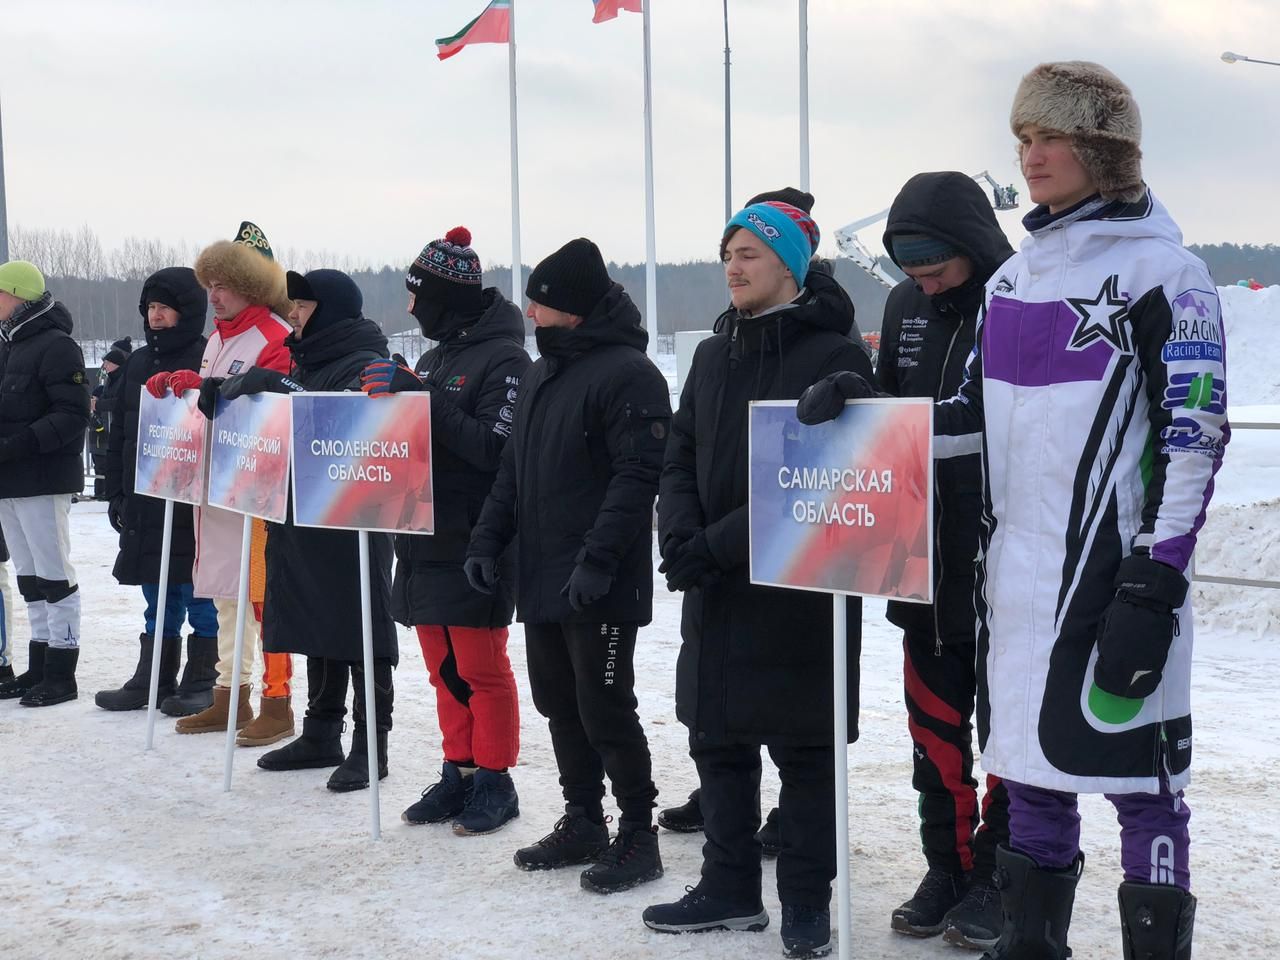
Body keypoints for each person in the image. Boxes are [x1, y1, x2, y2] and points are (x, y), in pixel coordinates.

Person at [798, 61, 1224, 960]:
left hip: (1115, 583)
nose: (1031, 156)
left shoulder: (1166, 275)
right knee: (1029, 781)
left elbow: (1194, 439)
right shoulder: (1013, 282)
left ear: (1105, 150)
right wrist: (867, 413)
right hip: (1016, 591)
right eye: (1023, 139)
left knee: (1143, 788)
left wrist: (1156, 581)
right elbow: (967, 424)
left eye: (1051, 138)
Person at [642, 200, 872, 960]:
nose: (734, 267)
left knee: (805, 753)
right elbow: (682, 449)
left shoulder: (837, 358)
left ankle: (806, 903)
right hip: (715, 586)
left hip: (800, 591)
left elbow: (826, 478)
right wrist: (679, 534)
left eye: (749, 253)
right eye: (727, 254)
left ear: (789, 266)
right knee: (717, 742)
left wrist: (716, 543)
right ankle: (729, 888)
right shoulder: (713, 355)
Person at [467, 238, 670, 893]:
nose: (528, 311)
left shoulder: (629, 373)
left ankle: (639, 834)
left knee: (605, 706)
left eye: (541, 302)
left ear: (574, 311)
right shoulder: (540, 372)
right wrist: (486, 541)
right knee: (559, 703)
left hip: (598, 582)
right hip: (541, 573)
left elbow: (639, 476)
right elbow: (511, 473)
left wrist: (599, 561)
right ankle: (584, 818)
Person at [875, 172, 1013, 950]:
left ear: (974, 246)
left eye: (936, 266)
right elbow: (891, 404)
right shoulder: (903, 307)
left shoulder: (1018, 299)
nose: (923, 282)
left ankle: (1001, 870)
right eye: (909, 267)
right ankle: (948, 865)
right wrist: (850, 398)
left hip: (1001, 556)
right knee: (933, 724)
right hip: (919, 556)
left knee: (1006, 731)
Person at [358, 227, 530, 832]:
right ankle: (457, 769)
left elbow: (495, 447)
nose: (410, 308)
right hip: (422, 534)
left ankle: (495, 778)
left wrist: (421, 397)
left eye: (417, 296)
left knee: (481, 667)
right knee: (441, 668)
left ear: (447, 298)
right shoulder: (435, 357)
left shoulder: (506, 358)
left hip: (476, 538)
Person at [222, 268, 399, 791]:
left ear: (332, 310)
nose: (293, 314)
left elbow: (339, 420)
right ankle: (322, 730)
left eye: (303, 305)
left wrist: (276, 383)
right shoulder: (309, 356)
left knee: (361, 630)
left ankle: (372, 745)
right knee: (318, 621)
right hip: (300, 514)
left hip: (354, 522)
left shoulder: (367, 360)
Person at [146, 222, 296, 743]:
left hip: (257, 490)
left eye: (224, 284)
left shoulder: (273, 336)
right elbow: (210, 403)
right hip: (215, 487)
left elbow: (270, 410)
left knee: (261, 596)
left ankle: (277, 700)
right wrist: (176, 396)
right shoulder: (218, 338)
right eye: (210, 284)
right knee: (227, 594)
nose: (213, 294)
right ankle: (229, 694)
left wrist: (206, 388)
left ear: (252, 288)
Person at [97, 268, 220, 714]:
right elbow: (120, 435)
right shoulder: (136, 363)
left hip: (192, 497)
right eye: (150, 307)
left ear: (186, 312)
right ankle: (155, 672)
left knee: (196, 586)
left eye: (164, 307)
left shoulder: (206, 357)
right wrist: (115, 492)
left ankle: (204, 674)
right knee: (156, 586)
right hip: (146, 496)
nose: (156, 316)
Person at [0, 260, 90, 706]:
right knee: (29, 577)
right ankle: (38, 665)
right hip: (9, 480)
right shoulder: (9, 344)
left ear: (16, 296)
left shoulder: (57, 346)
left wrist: (18, 444)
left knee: (55, 574)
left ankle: (62, 670)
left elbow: (73, 414)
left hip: (41, 476)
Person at [89, 337, 132, 500]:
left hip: (118, 428)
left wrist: (98, 405)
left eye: (107, 362)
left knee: (113, 463)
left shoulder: (123, 378)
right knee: (102, 462)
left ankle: (111, 492)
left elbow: (121, 401)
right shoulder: (110, 379)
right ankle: (103, 491)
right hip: (107, 430)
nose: (104, 366)